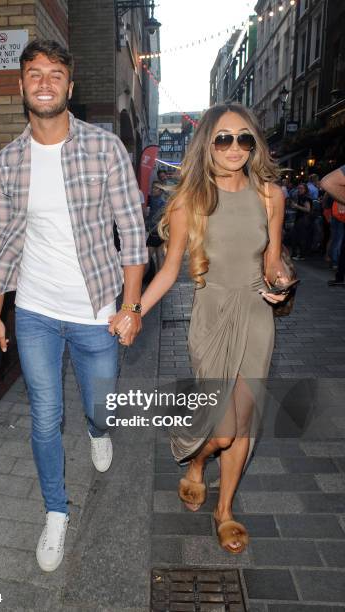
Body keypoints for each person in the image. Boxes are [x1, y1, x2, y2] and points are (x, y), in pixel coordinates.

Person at [0, 39, 148, 572]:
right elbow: (3, 240)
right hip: (37, 311)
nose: (44, 82)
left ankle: (98, 430)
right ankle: (55, 512)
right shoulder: (8, 161)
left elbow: (132, 234)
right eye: (33, 74)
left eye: (54, 74)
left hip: (97, 311)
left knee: (99, 405)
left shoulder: (104, 149)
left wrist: (133, 306)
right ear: (21, 85)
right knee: (45, 416)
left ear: (70, 86)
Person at [111, 103, 289, 554]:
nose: (235, 148)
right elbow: (169, 272)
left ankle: (225, 510)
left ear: (255, 144)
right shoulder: (190, 200)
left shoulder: (271, 195)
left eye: (244, 138)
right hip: (210, 317)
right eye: (224, 138)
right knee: (222, 430)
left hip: (255, 317)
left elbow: (273, 263)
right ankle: (195, 458)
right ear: (207, 143)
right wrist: (133, 310)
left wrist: (282, 283)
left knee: (240, 423)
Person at [321, 166, 345, 286]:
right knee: (337, 240)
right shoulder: (333, 191)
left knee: (337, 240)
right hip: (337, 217)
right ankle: (335, 265)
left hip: (337, 217)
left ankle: (338, 271)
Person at [290, 183, 313, 260]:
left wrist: (297, 206)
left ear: (305, 189)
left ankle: (301, 255)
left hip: (303, 219)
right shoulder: (300, 197)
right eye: (298, 188)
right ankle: (298, 254)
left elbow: (308, 209)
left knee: (301, 237)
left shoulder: (305, 198)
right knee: (296, 237)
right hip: (300, 219)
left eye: (301, 188)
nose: (299, 190)